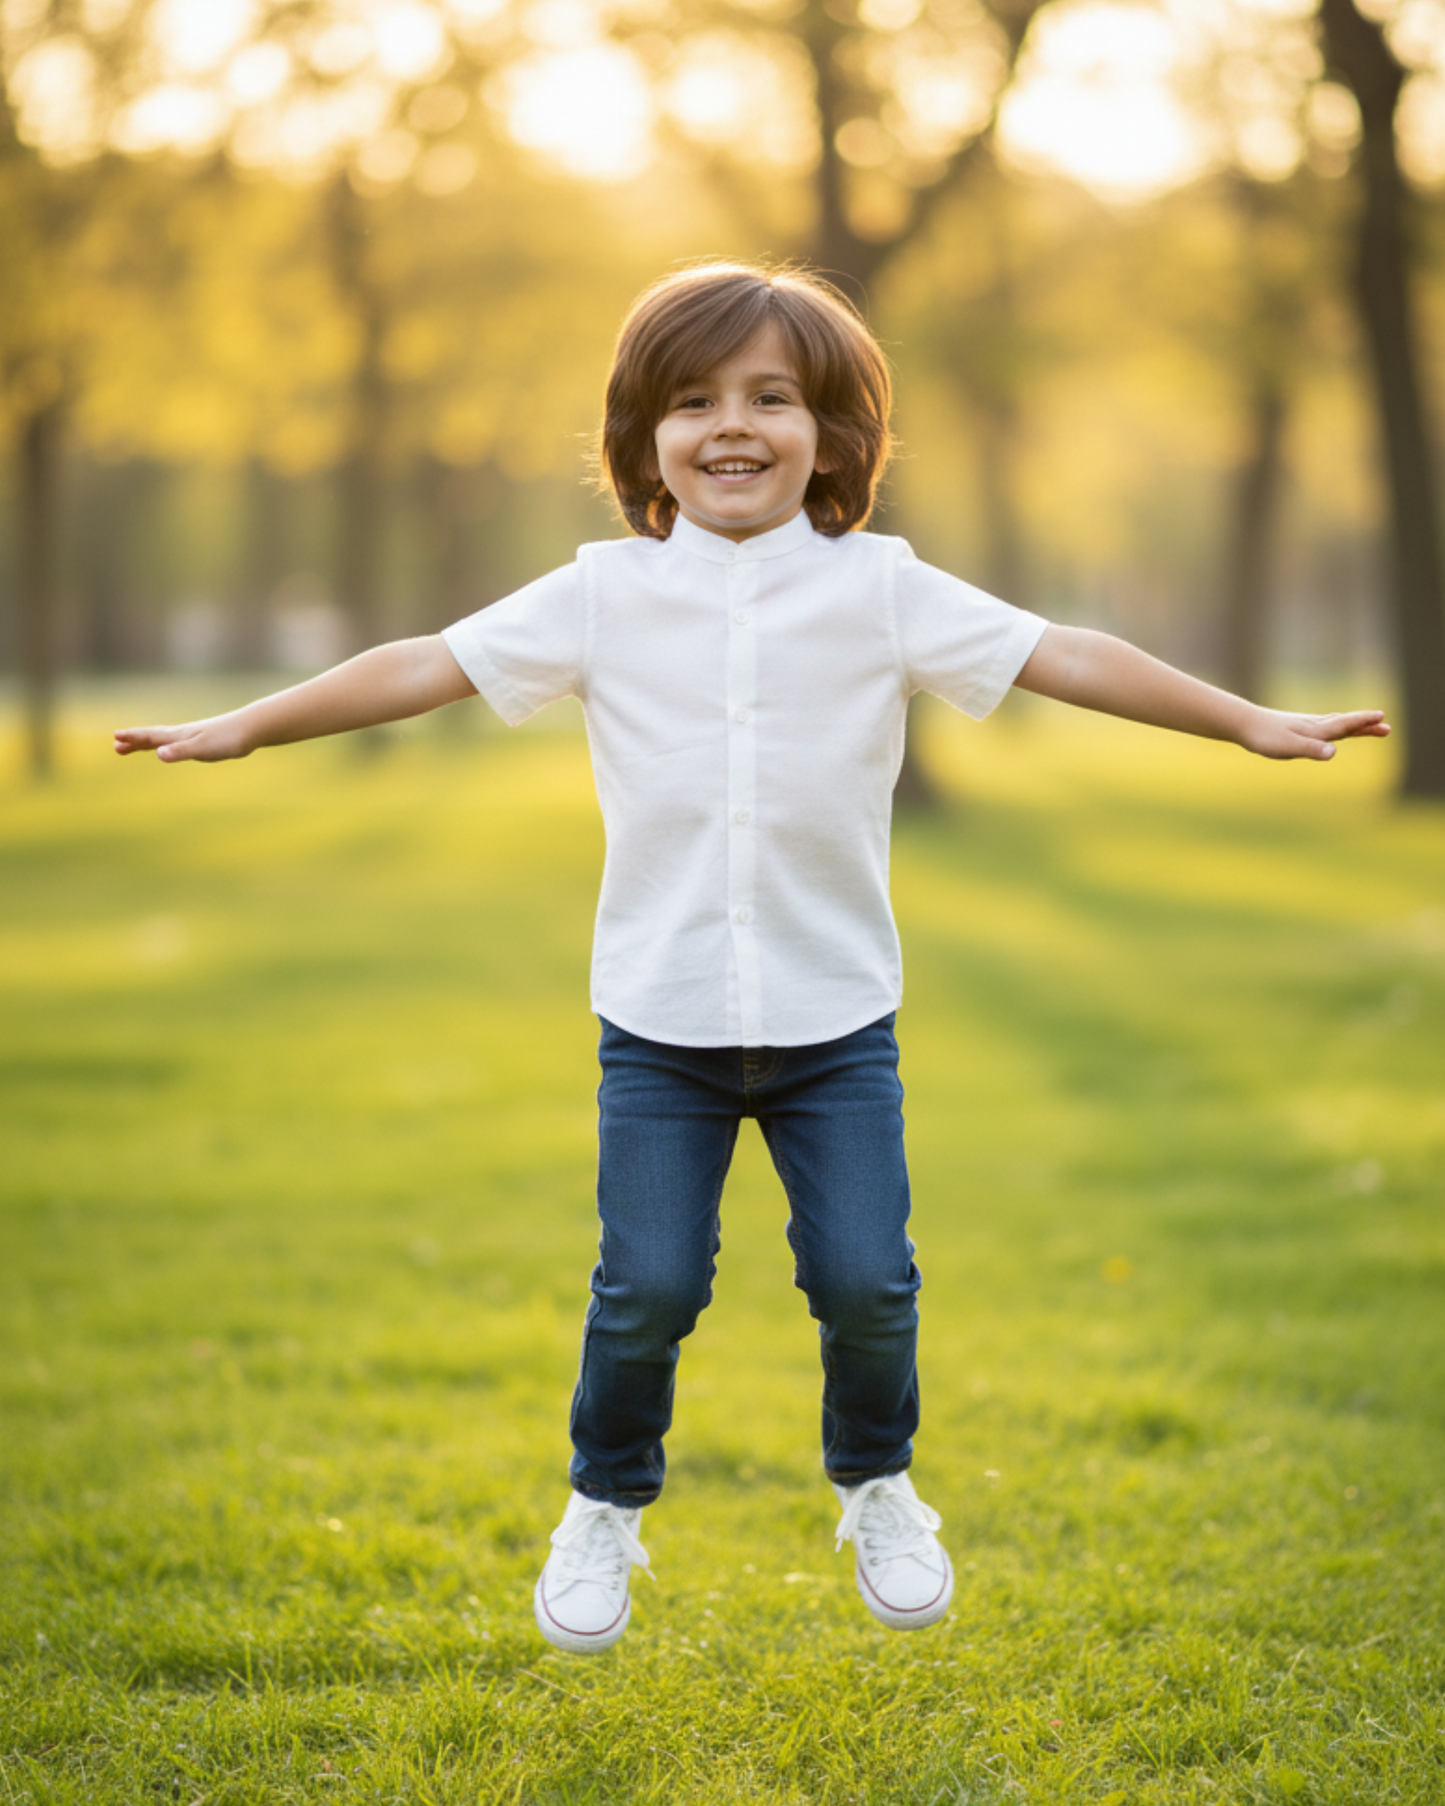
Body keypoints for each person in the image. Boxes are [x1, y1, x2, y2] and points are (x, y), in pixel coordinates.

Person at [115, 261, 1388, 1656]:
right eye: (694, 399)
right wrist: (245, 724)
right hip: (658, 1025)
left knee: (867, 1279)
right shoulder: (601, 595)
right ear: (641, 439)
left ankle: (875, 1479)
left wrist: (1248, 719)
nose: (733, 424)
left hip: (835, 1022)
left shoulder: (883, 589)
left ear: (835, 435)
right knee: (648, 1284)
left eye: (771, 397)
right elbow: (425, 661)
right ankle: (603, 1504)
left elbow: (1066, 654)